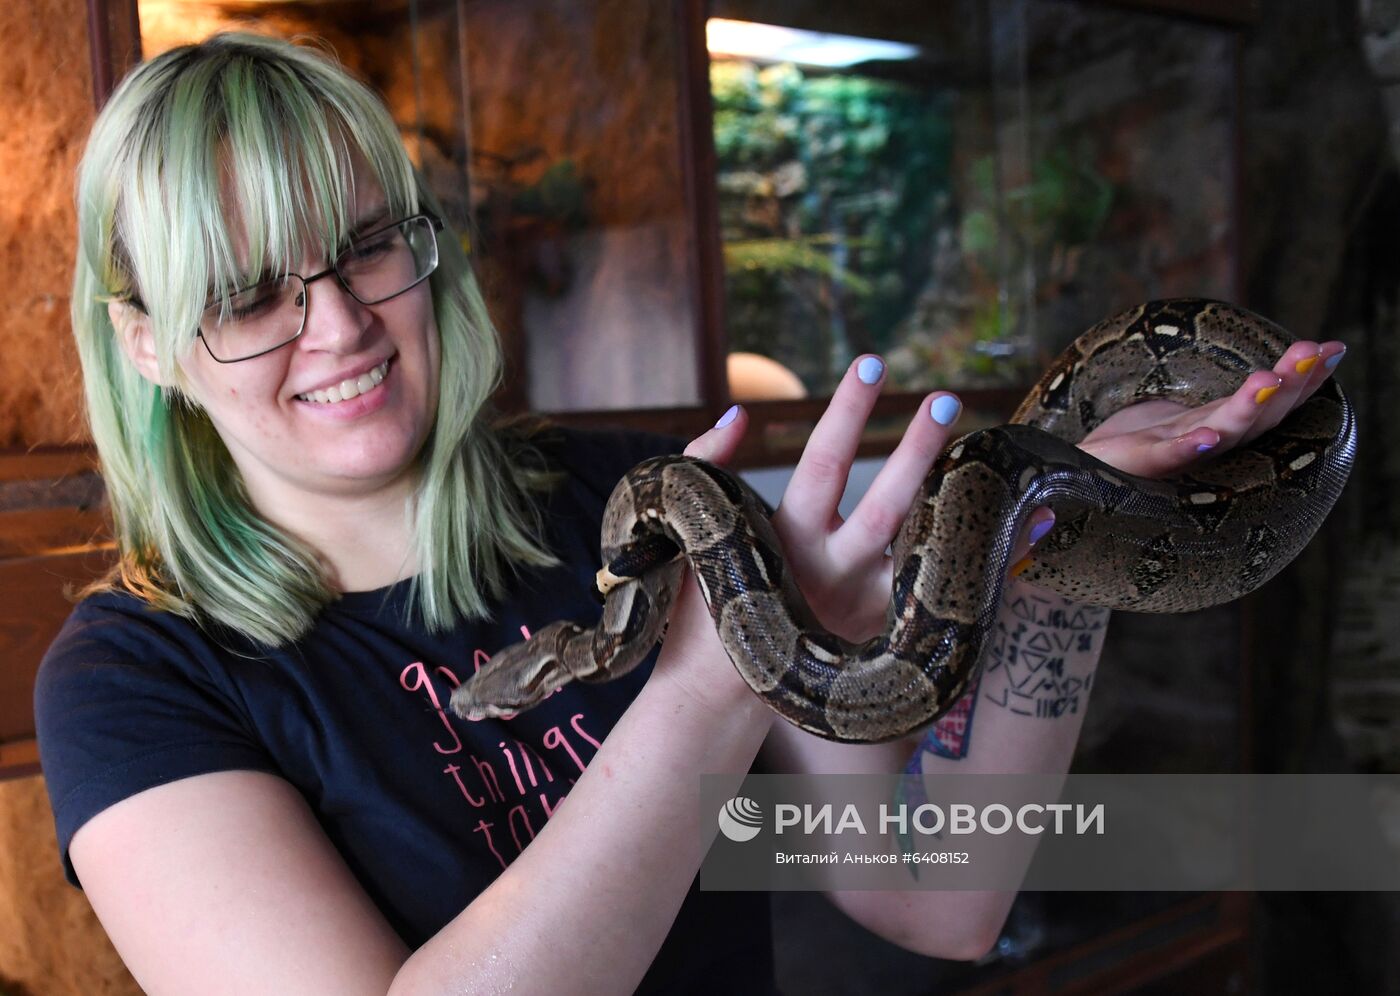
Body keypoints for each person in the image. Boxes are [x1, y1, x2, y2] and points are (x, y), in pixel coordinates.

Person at [34, 32, 1344, 996]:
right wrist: (711, 681)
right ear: (146, 344)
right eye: (252, 294)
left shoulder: (643, 499)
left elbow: (939, 900)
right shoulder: (133, 679)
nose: (337, 326)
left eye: (368, 245)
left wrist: (1056, 534)